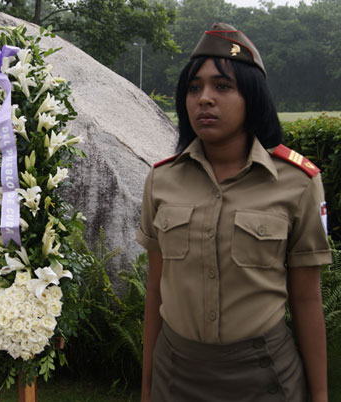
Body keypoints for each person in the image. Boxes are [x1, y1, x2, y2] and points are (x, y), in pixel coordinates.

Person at [137, 23, 332, 402]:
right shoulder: (162, 180)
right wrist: (147, 389)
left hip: (264, 377)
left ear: (252, 97)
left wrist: (320, 395)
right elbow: (155, 293)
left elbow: (307, 298)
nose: (204, 99)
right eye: (194, 88)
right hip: (175, 375)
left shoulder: (297, 182)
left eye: (222, 87)